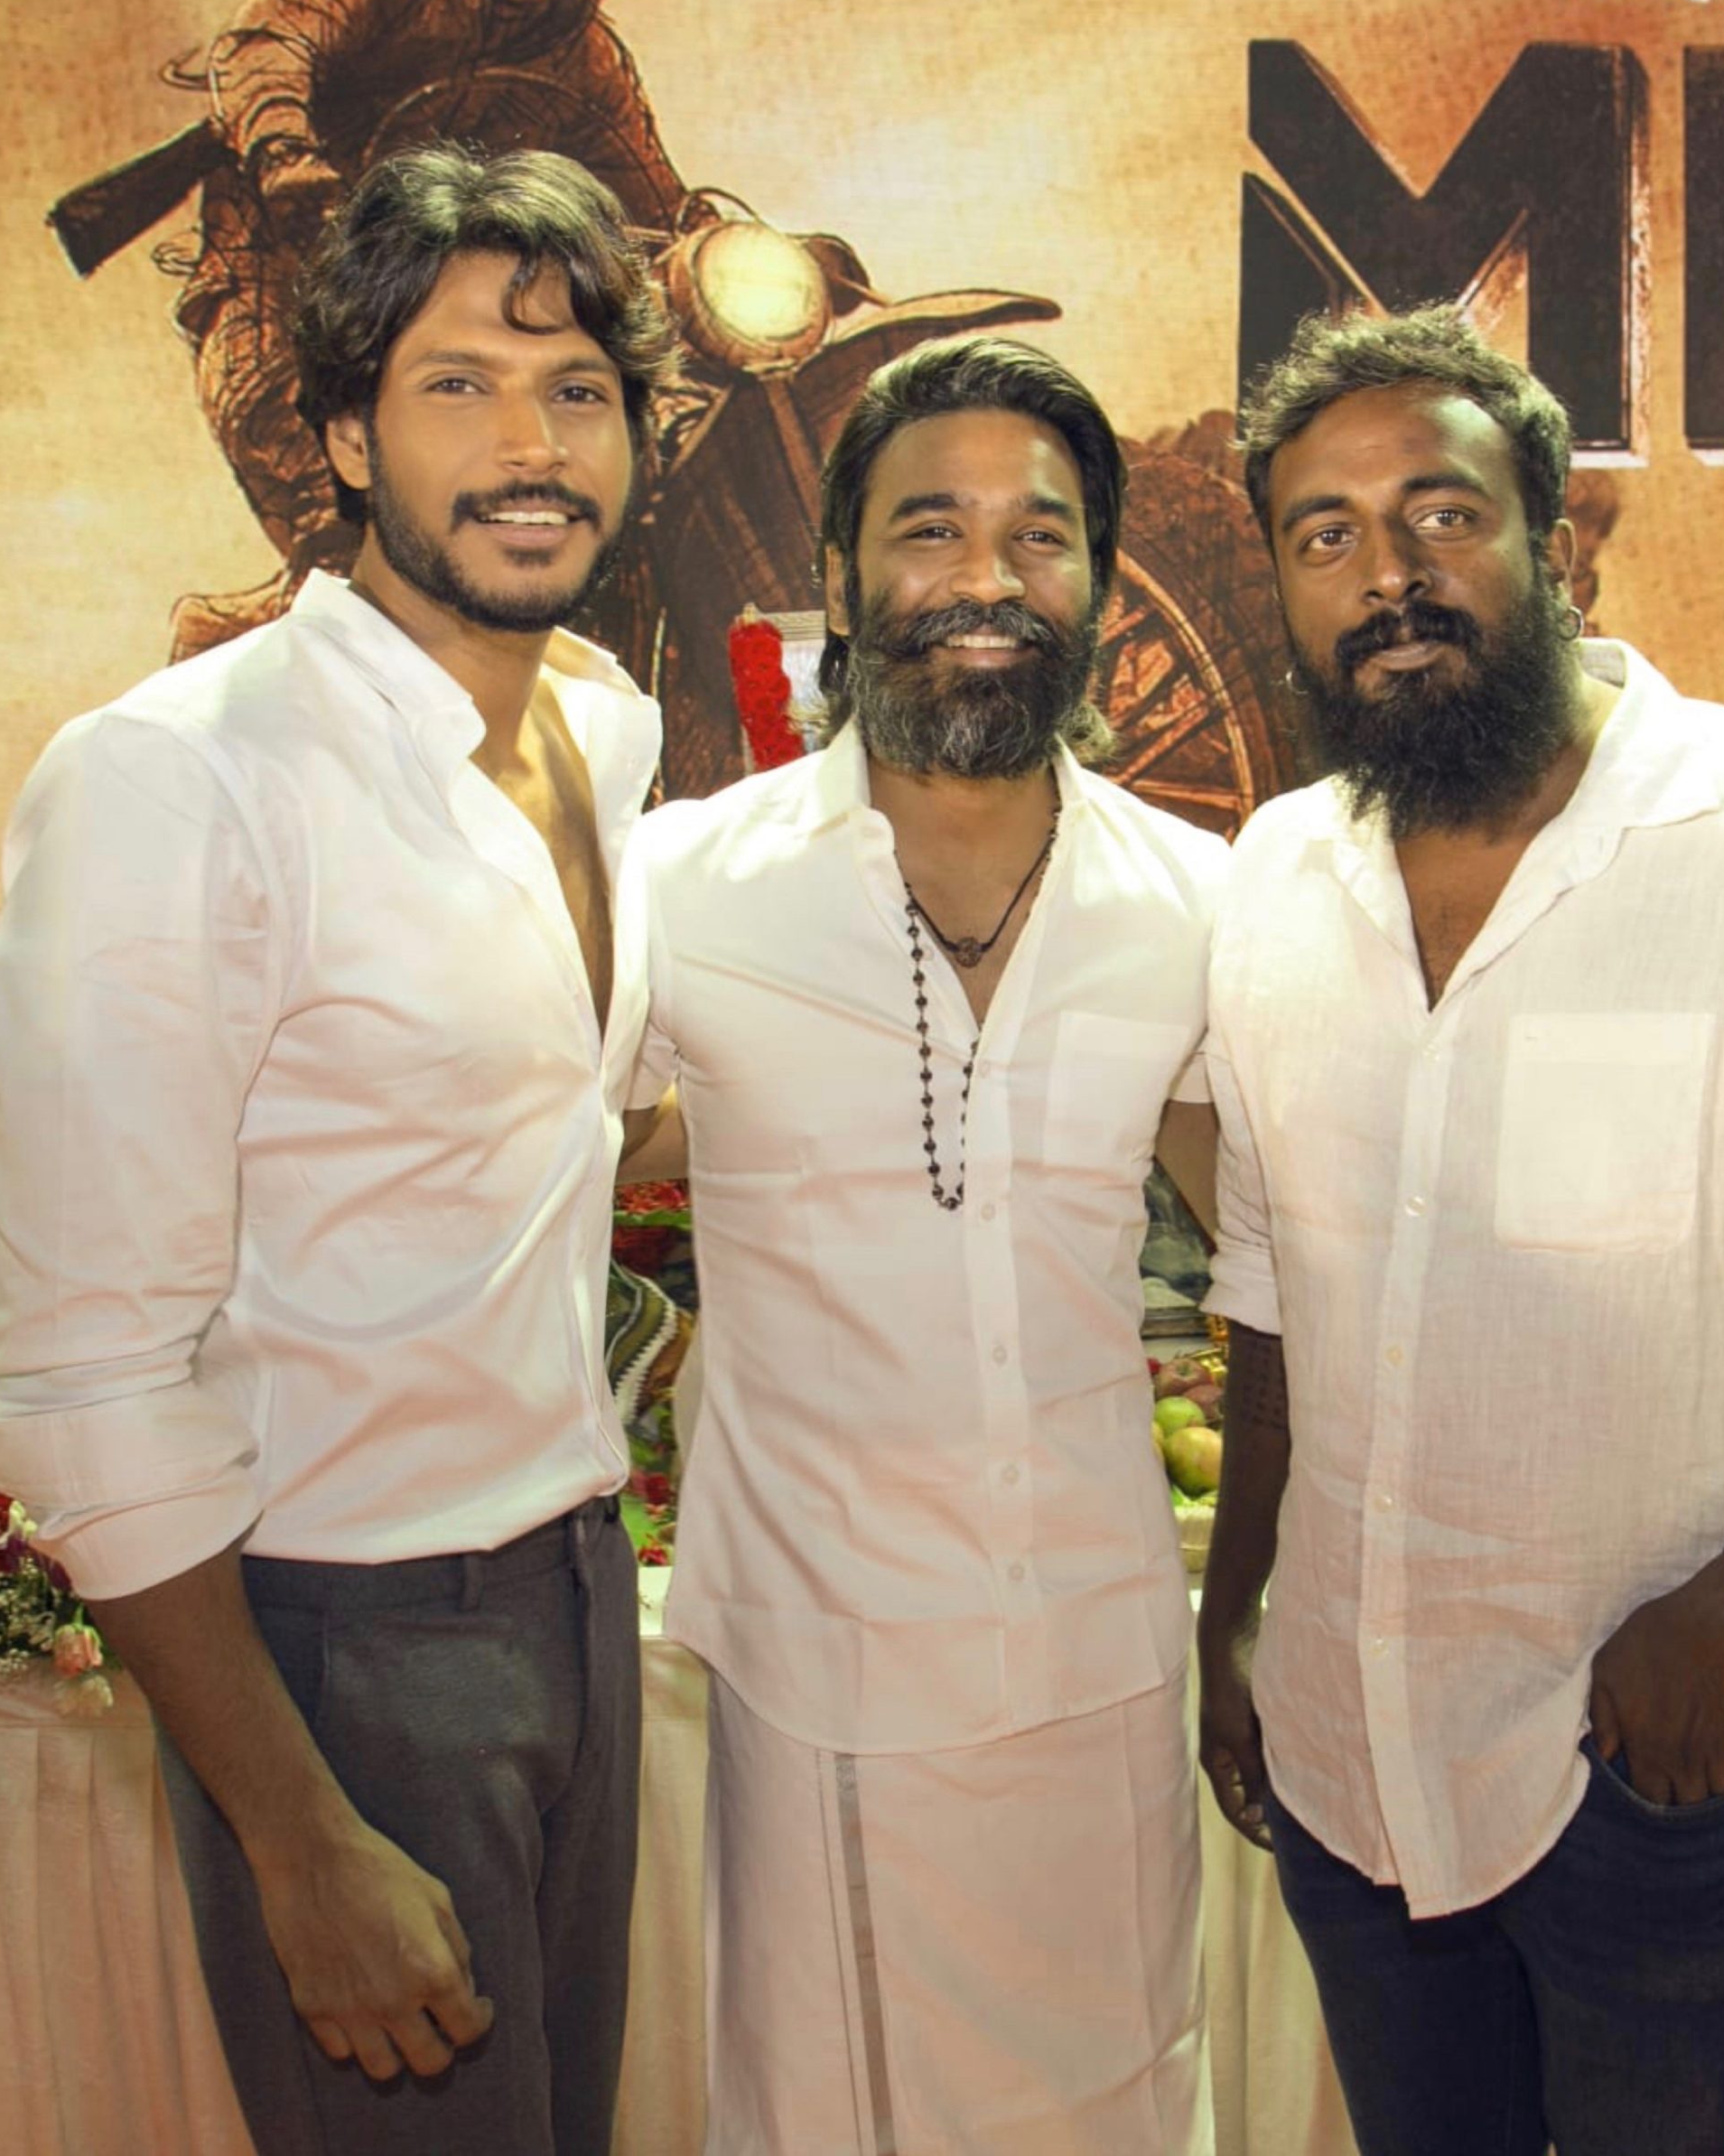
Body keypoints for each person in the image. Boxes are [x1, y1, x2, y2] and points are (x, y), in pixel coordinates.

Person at [0, 142, 676, 2156]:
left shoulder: (602, 728)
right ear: (345, 436)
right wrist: (293, 1831)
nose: (529, 446)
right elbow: (80, 1370)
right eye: (458, 385)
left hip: (576, 1584)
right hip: (339, 1646)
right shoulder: (175, 780)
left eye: (577, 389)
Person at [625, 335, 1225, 2153]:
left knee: (1122, 2101)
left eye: (1039, 535)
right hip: (825, 1672)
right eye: (929, 528)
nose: (986, 576)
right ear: (837, 568)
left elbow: (1290, 1241)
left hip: (1102, 1656)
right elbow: (528, 1169)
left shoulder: (1195, 904)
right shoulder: (682, 887)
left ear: (1098, 583)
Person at [1197, 303, 1724, 2156]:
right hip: (1346, 1754)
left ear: (1560, 543)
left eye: (1439, 514)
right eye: (1325, 536)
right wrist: (1233, 1612)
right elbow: (1271, 1292)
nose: (1387, 576)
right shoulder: (1274, 875)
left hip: (1645, 1755)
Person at [168, 0, 684, 653]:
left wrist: (711, 246)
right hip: (284, 288)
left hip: (439, 318)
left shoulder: (574, 43)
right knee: (356, 532)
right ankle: (233, 661)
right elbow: (265, 46)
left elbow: (648, 192)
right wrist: (284, 155)